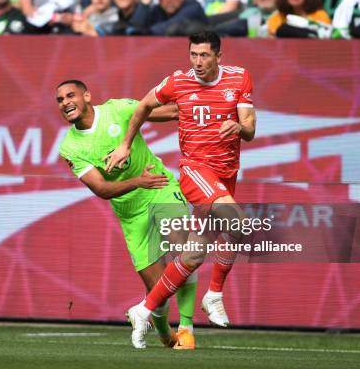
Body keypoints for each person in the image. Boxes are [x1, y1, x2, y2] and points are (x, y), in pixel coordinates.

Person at [105, 31, 257, 346]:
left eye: (204, 56)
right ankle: (214, 295)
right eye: (193, 55)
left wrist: (239, 127)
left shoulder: (240, 78)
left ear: (218, 56)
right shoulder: (177, 82)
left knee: (193, 254)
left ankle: (144, 309)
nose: (198, 62)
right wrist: (124, 146)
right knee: (238, 221)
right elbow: (144, 106)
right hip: (195, 170)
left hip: (226, 172)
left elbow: (250, 129)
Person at [56, 80, 198, 350]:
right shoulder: (70, 147)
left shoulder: (118, 109)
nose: (65, 103)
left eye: (70, 95)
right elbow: (101, 189)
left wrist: (206, 108)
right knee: (158, 289)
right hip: (130, 213)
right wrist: (136, 183)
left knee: (185, 248)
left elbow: (170, 112)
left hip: (159, 187)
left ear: (87, 95)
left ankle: (187, 327)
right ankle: (165, 334)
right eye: (60, 100)